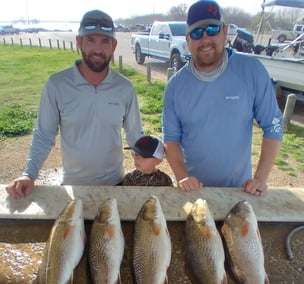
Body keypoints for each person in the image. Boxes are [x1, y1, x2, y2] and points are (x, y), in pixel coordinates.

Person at [6, 9, 143, 199]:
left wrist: (150, 157)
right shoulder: (57, 84)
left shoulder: (125, 88)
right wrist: (29, 174)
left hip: (115, 185)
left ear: (114, 45)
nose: (98, 49)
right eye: (90, 40)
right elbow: (44, 135)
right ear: (79, 42)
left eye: (105, 41)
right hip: (73, 188)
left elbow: (135, 134)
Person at [162, 0, 283, 196]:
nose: (205, 39)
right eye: (196, 33)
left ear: (225, 31)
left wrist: (260, 179)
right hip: (196, 193)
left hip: (240, 192)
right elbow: (171, 138)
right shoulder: (175, 86)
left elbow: (273, 125)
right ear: (187, 40)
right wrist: (182, 176)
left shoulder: (252, 71)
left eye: (212, 29)